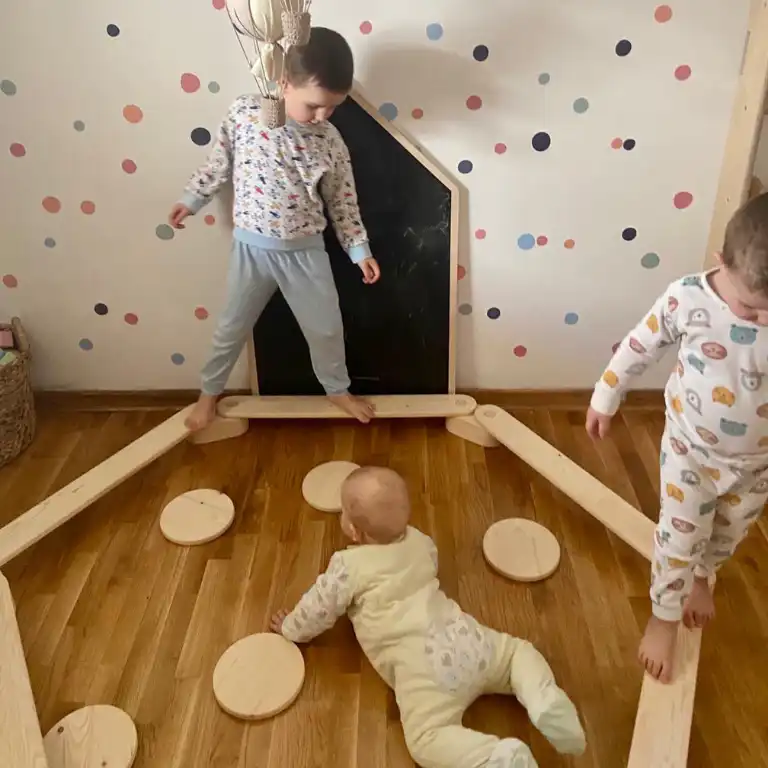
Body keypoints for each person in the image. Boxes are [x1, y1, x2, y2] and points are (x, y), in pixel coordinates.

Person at [270, 467, 586, 768]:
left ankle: (495, 758)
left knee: (425, 739)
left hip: (427, 675)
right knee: (517, 653)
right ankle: (542, 698)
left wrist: (290, 628)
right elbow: (431, 562)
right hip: (467, 640)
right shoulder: (419, 540)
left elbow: (319, 608)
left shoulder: (347, 567)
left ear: (354, 530)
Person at [587, 192, 768, 683]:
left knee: (729, 532)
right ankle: (663, 619)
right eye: (751, 309)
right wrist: (606, 394)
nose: (762, 321)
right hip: (691, 451)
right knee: (679, 538)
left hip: (756, 465)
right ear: (722, 264)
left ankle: (703, 576)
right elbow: (638, 346)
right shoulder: (687, 299)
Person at [169, 27, 380, 430]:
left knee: (325, 329)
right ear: (284, 82)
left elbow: (343, 201)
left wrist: (359, 250)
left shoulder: (330, 141)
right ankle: (208, 394)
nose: (323, 116)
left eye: (332, 107)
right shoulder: (244, 113)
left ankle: (337, 390)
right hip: (251, 250)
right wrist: (192, 198)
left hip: (305, 253)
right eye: (315, 105)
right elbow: (219, 163)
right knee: (231, 327)